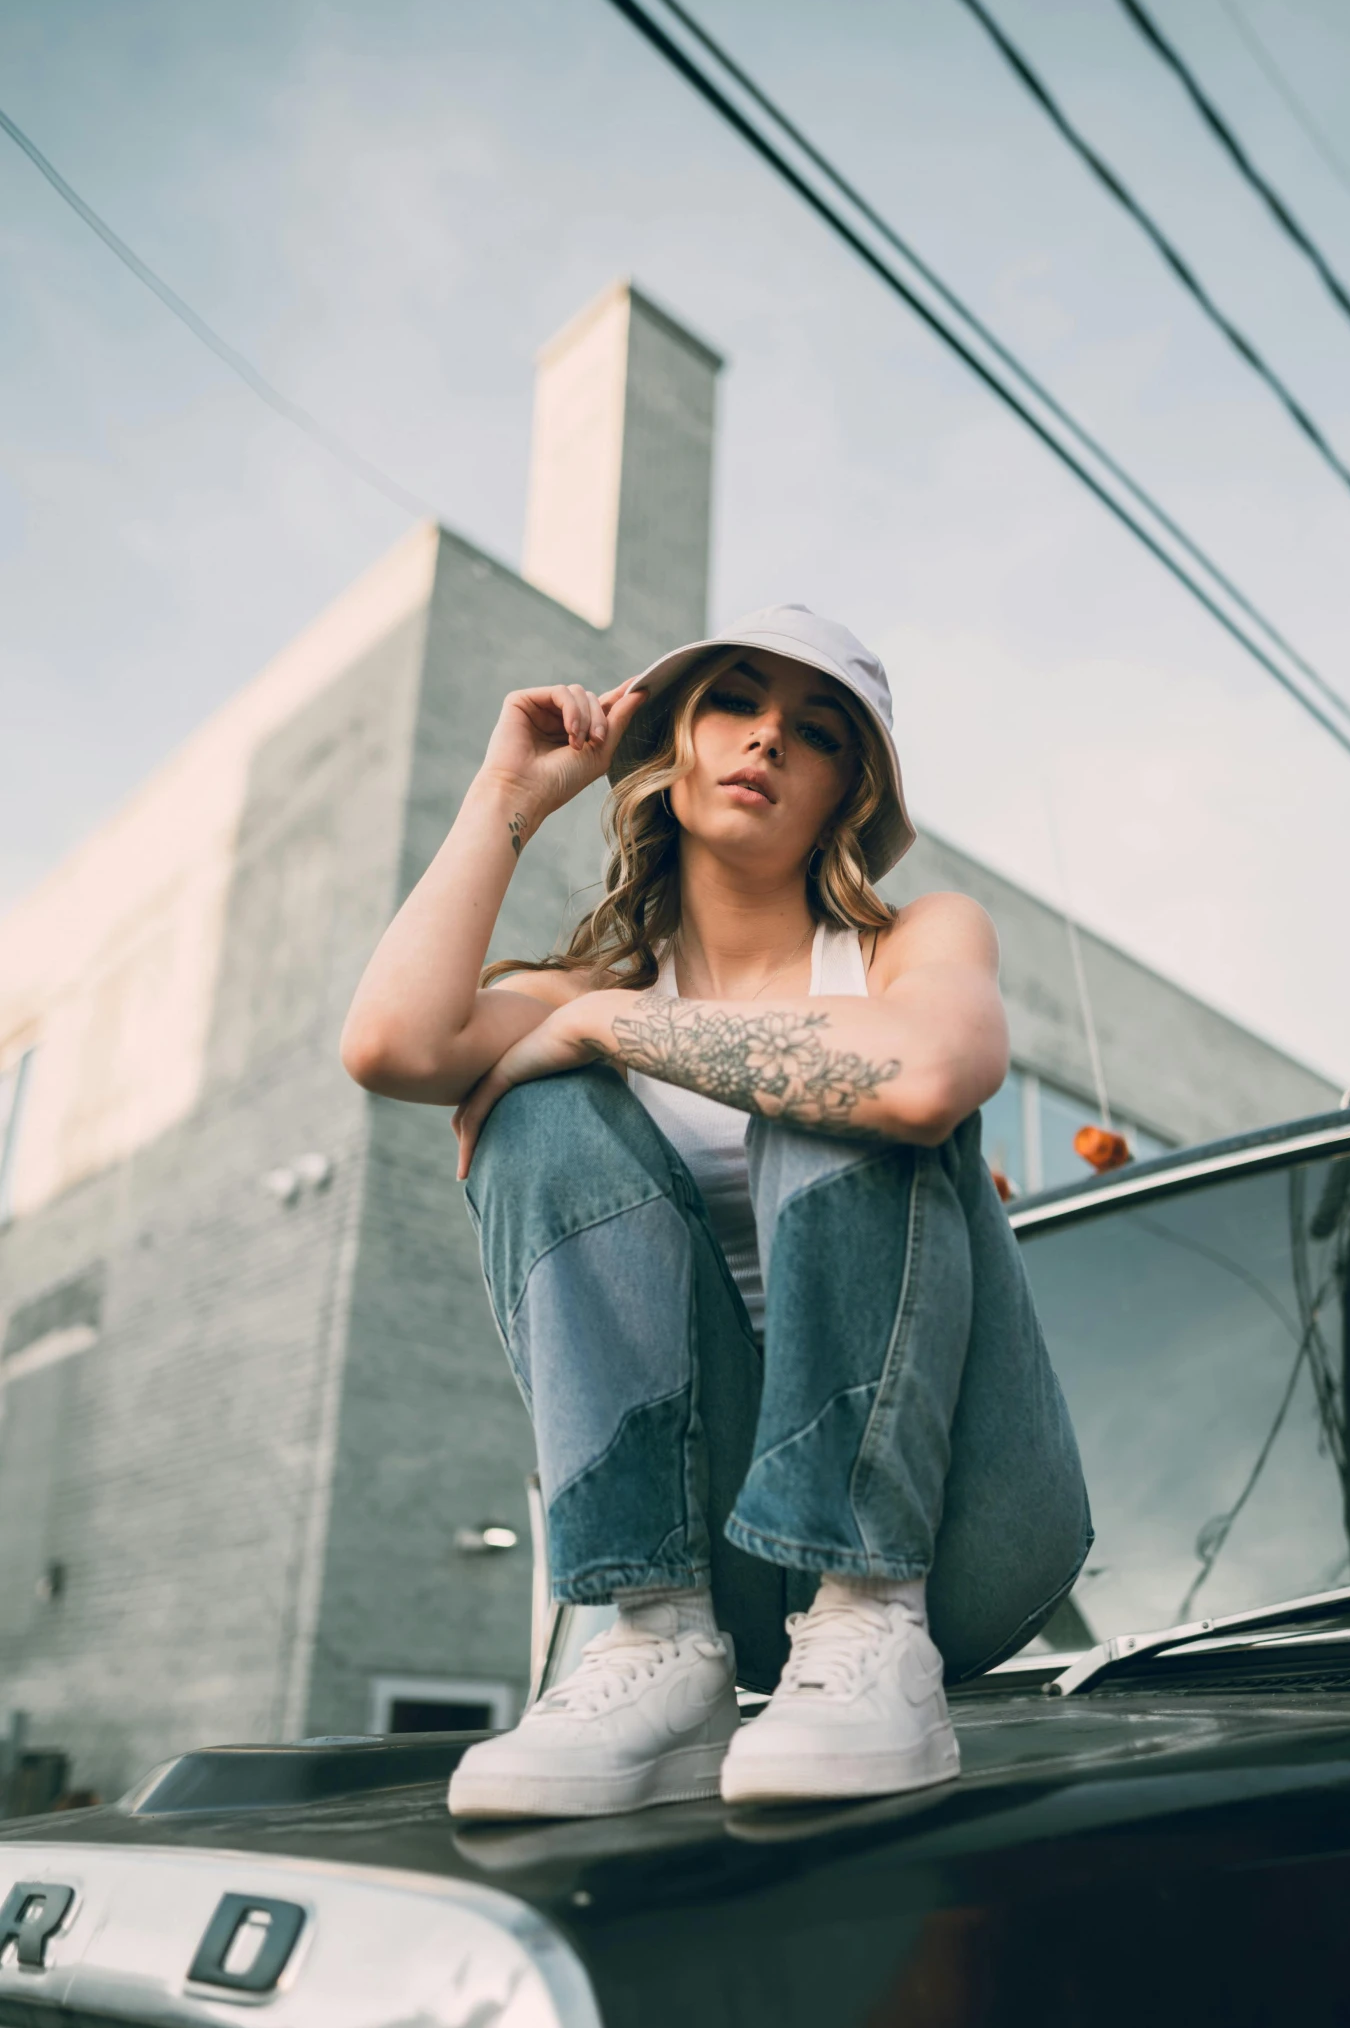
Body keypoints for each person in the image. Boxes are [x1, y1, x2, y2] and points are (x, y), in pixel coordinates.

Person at [341, 605, 1090, 1816]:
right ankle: (655, 1644)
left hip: (963, 1528)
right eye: (734, 703)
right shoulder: (584, 988)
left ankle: (869, 1620)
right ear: (671, 749)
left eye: (819, 730)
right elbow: (389, 1043)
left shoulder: (915, 941)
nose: (768, 741)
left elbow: (931, 1073)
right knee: (534, 1113)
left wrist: (599, 1027)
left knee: (823, 1077)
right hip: (727, 1562)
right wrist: (509, 795)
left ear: (852, 788)